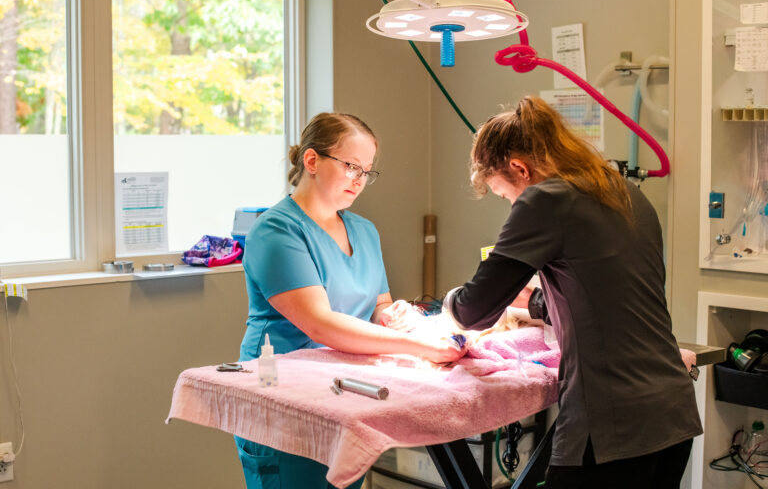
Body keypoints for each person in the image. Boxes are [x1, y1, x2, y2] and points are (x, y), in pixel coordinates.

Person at [442, 96, 702, 489]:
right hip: (671, 418)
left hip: (615, 429)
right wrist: (531, 303)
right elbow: (604, 293)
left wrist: (444, 304)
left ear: (519, 168)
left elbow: (472, 312)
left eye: (504, 195)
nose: (511, 205)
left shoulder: (544, 200)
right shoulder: (621, 190)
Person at [236, 112, 464, 489]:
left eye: (367, 171)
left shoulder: (363, 230)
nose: (360, 180)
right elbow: (320, 324)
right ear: (312, 161)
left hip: (346, 395)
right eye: (351, 167)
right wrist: (419, 345)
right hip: (284, 397)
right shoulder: (276, 230)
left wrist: (396, 314)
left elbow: (378, 305)